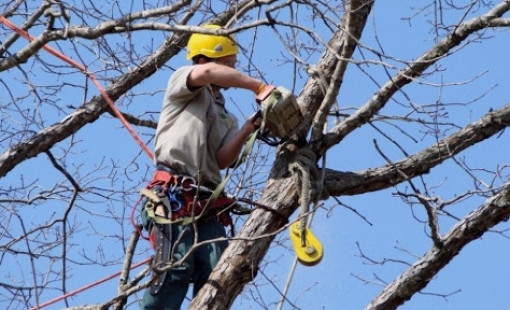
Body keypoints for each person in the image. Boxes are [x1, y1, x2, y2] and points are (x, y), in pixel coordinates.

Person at [141, 24, 275, 310]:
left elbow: (222, 159)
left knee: (218, 273)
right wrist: (257, 86)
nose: (233, 70)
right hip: (173, 193)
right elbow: (205, 75)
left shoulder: (226, 116)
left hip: (207, 204)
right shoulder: (184, 84)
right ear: (203, 59)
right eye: (227, 65)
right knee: (174, 271)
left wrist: (250, 128)